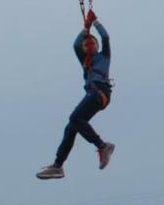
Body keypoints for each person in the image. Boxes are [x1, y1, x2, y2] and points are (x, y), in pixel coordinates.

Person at [37, 9, 114, 179]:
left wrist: (95, 23)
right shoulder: (85, 63)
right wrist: (85, 27)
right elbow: (75, 44)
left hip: (100, 91)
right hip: (93, 94)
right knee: (71, 127)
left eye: (92, 43)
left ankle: (103, 146)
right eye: (86, 45)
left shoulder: (104, 57)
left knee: (74, 118)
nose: (89, 45)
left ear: (97, 46)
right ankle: (58, 165)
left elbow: (106, 38)